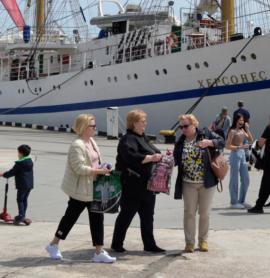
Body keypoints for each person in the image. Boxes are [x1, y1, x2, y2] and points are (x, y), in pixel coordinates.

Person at [47, 114, 116, 263]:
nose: (95, 128)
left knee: (97, 219)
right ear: (84, 128)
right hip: (80, 190)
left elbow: (94, 163)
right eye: (93, 126)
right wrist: (100, 171)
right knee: (69, 219)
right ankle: (53, 245)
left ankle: (99, 252)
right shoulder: (76, 145)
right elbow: (79, 168)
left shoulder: (91, 141)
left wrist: (103, 168)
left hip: (93, 188)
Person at [111, 109, 165, 254]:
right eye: (143, 121)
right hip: (132, 186)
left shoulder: (143, 137)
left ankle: (149, 244)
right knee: (126, 215)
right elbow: (131, 157)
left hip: (147, 186)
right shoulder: (128, 139)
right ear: (134, 123)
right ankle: (117, 244)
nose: (145, 124)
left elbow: (155, 151)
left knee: (148, 216)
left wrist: (160, 156)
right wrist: (151, 158)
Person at [174, 114, 224, 252]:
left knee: (205, 213)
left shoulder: (205, 133)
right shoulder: (180, 141)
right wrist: (168, 161)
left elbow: (222, 141)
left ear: (194, 125)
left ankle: (203, 241)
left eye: (186, 126)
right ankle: (189, 242)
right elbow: (175, 159)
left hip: (206, 182)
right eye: (181, 127)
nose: (183, 129)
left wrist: (209, 143)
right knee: (189, 213)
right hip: (188, 183)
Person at [1, 144, 34, 225]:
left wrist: (4, 174)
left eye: (18, 152)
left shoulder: (19, 163)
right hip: (29, 185)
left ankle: (21, 215)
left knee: (19, 200)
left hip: (22, 185)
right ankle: (23, 214)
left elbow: (12, 172)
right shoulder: (30, 162)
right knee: (24, 200)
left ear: (21, 154)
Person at [225, 113, 253, 208]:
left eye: (242, 120)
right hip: (235, 154)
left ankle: (241, 200)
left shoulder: (241, 130)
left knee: (246, 178)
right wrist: (240, 147)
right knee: (234, 178)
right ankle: (233, 202)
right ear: (235, 120)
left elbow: (250, 139)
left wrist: (247, 129)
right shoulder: (232, 131)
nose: (241, 122)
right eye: (239, 120)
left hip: (242, 154)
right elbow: (227, 146)